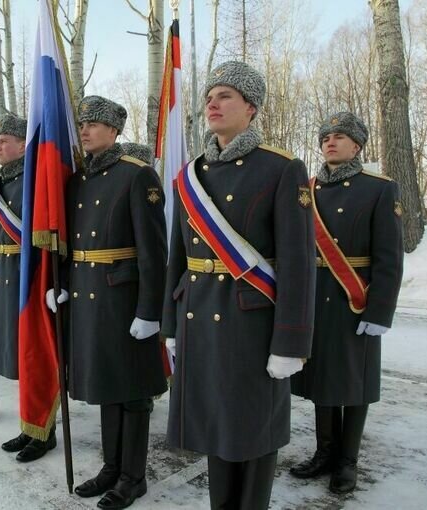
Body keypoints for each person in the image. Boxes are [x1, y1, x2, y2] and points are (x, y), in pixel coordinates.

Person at [161, 61, 316, 510]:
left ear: (251, 108)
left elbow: (299, 262)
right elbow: (179, 256)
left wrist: (291, 343)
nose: (213, 101)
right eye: (210, 95)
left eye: (225, 95)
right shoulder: (191, 175)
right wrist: (171, 322)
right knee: (215, 426)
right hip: (198, 312)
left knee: (251, 428)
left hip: (251, 321)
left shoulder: (282, 168)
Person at [47, 95, 168, 510]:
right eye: (83, 124)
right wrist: (62, 282)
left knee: (131, 390)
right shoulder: (79, 179)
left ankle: (133, 477)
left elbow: (154, 250)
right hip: (86, 294)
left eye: (95, 124)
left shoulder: (137, 175)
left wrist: (150, 311)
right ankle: (111, 468)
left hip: (123, 297)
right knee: (104, 384)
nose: (85, 130)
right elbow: (71, 242)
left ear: (115, 131)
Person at [290, 112, 404, 494]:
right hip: (314, 296)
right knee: (322, 378)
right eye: (325, 137)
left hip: (354, 298)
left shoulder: (379, 188)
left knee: (354, 381)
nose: (330, 142)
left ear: (357, 146)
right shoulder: (307, 189)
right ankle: (325, 451)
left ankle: (347, 460)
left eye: (339, 136)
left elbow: (390, 257)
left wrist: (380, 311)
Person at [0, 113, 55, 461]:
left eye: (3, 140)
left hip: (29, 280)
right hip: (4, 277)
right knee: (17, 358)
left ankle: (45, 430)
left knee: (35, 356)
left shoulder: (35, 180)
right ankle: (30, 425)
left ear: (20, 144)